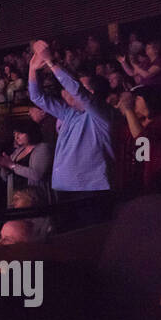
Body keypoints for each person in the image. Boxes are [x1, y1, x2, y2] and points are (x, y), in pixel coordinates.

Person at [27, 40, 115, 227]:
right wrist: (32, 70)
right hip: (63, 187)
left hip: (91, 190)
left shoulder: (103, 115)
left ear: (91, 92)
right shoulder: (69, 113)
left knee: (92, 240)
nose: (69, 90)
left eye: (79, 87)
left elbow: (77, 90)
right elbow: (37, 97)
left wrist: (51, 62)